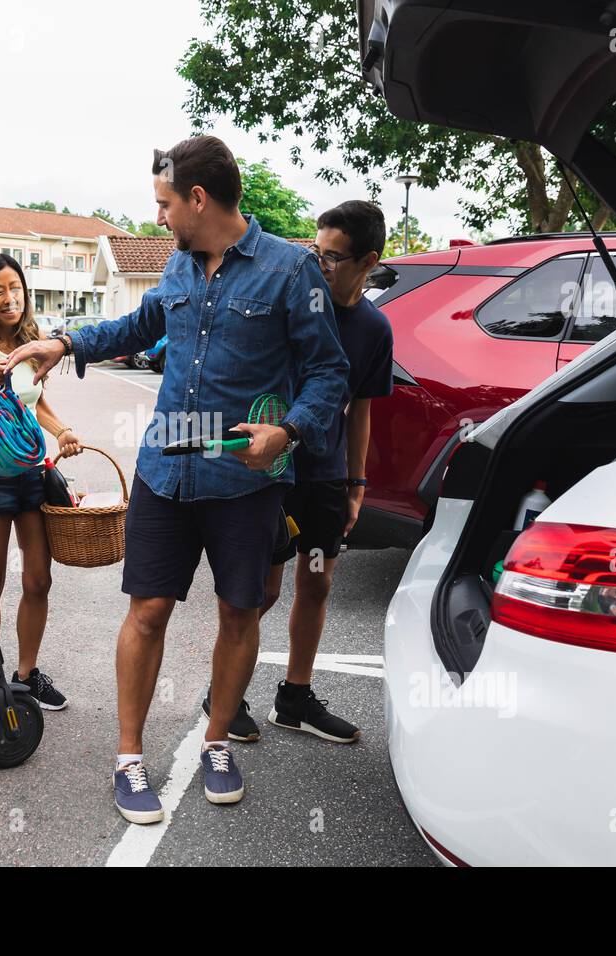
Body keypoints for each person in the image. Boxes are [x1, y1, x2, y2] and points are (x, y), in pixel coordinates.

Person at [6, 135, 348, 824]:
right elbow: (137, 325)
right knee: (148, 612)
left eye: (164, 204)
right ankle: (129, 759)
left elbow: (328, 372)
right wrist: (64, 343)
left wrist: (290, 431)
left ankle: (217, 740)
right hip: (165, 472)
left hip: (246, 483)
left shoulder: (290, 271)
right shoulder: (177, 266)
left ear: (198, 198)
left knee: (238, 613)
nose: (158, 217)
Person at [205, 200, 394, 745]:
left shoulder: (374, 330)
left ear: (369, 261)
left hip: (324, 478)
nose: (321, 264)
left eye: (334, 257)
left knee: (317, 581)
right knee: (257, 589)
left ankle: (295, 698)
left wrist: (355, 484)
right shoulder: (295, 303)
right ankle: (226, 693)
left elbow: (360, 410)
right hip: (271, 471)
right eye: (317, 252)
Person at [0, 254, 82, 710]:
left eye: (16, 288)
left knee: (38, 578)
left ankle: (26, 675)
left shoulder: (35, 341)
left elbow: (38, 401)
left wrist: (62, 430)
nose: (10, 299)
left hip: (31, 474)